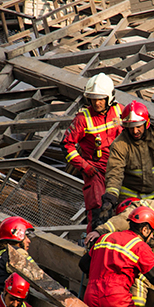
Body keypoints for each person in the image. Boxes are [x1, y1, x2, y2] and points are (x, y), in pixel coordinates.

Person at [62, 73, 123, 231]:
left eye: (101, 99)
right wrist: (84, 166)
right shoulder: (83, 119)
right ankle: (94, 245)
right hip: (95, 171)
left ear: (109, 97)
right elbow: (67, 145)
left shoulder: (119, 112)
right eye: (93, 99)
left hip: (118, 167)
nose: (97, 103)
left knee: (125, 208)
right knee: (99, 211)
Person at [101, 101, 154, 220]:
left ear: (146, 123)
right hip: (128, 202)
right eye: (131, 127)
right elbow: (115, 173)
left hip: (153, 200)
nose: (135, 131)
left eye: (138, 126)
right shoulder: (120, 144)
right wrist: (110, 198)